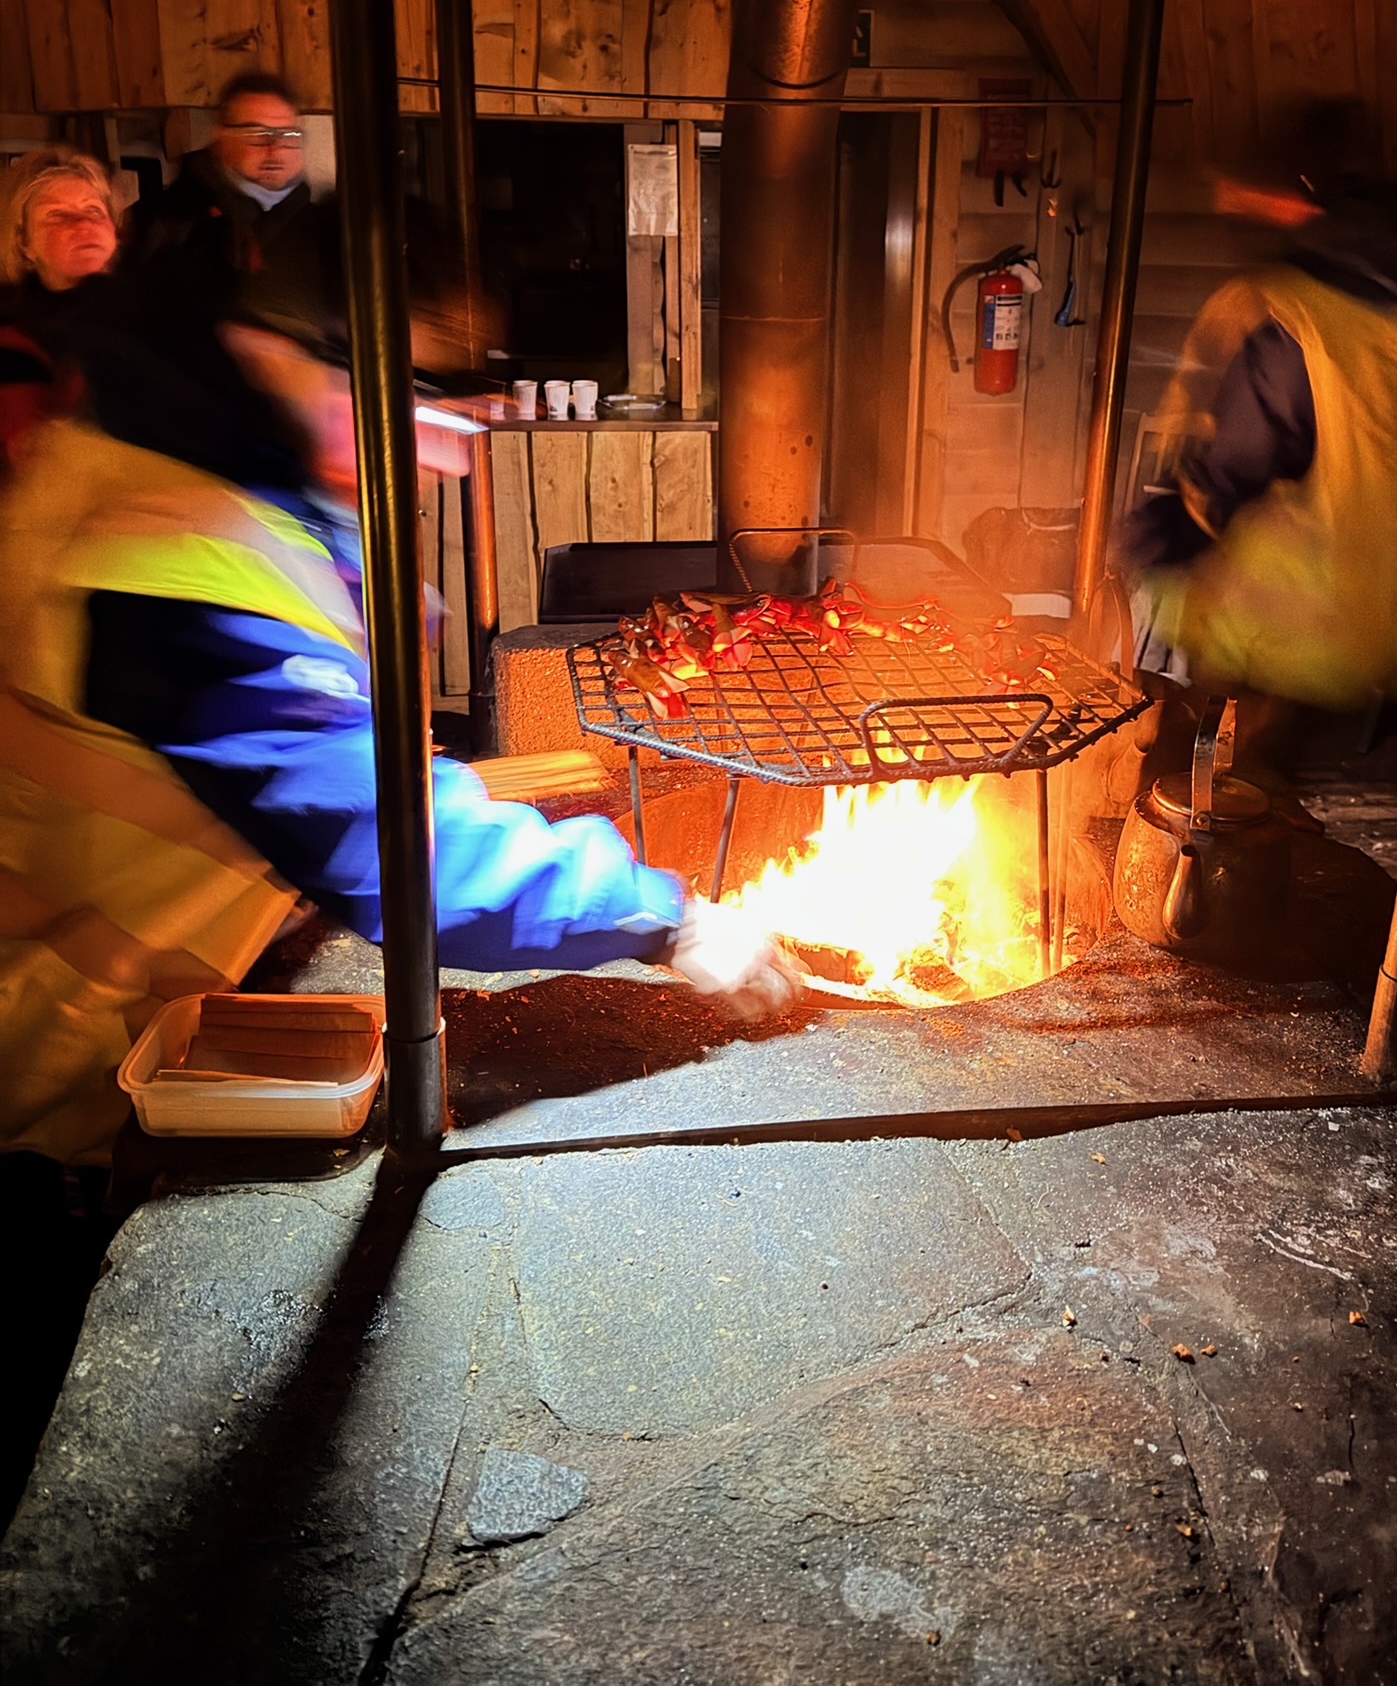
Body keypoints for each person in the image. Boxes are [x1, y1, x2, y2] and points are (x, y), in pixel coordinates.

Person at [0, 294, 799, 1171]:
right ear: (283, 363)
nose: (452, 455)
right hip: (56, 1044)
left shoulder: (214, 479)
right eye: (422, 408)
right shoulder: (168, 556)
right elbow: (388, 844)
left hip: (146, 986)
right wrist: (665, 918)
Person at [1118, 140, 1397, 711]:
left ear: (1295, 200)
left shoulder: (1294, 324)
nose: (1232, 207)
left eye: (1247, 195)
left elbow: (1236, 467)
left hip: (1262, 624)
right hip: (1367, 623)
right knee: (1261, 777)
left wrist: (1147, 538)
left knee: (1210, 775)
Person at [127, 70, 343, 353]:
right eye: (256, 133)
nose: (274, 147)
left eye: (289, 134)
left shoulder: (331, 229)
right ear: (221, 138)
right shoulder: (164, 224)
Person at [0, 146, 118, 471]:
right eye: (58, 216)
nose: (82, 224)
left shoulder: (151, 306)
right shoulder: (13, 342)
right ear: (24, 242)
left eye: (94, 210)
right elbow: (33, 464)